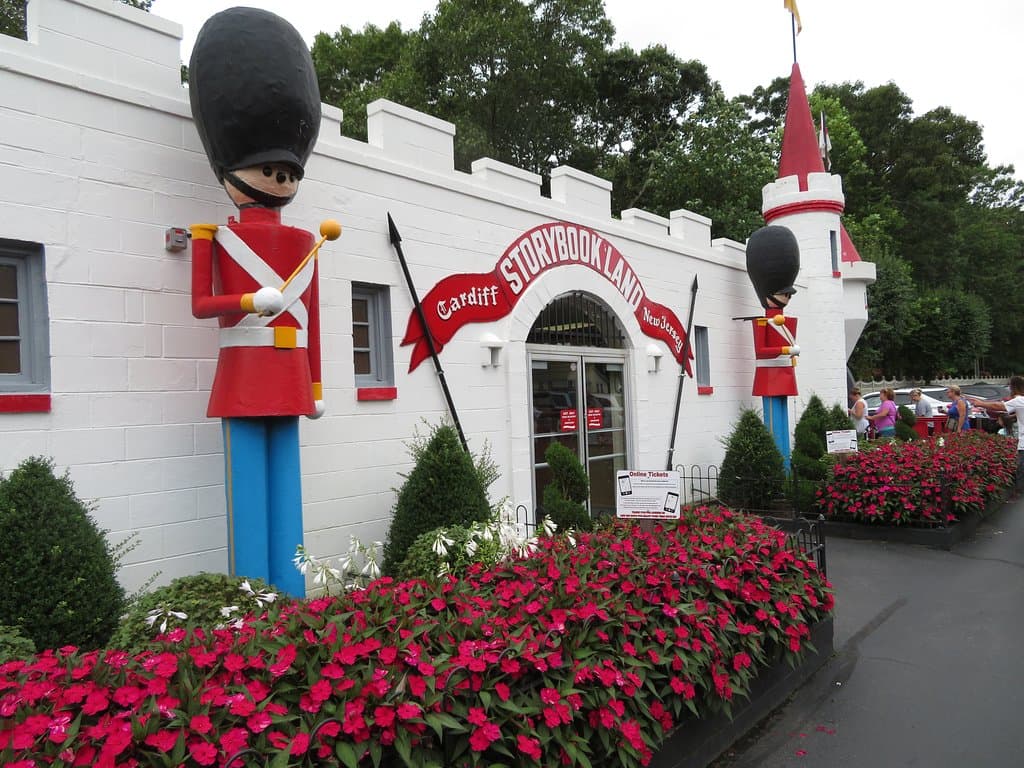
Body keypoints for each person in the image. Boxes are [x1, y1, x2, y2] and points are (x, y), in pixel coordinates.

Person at [188, 7, 340, 596]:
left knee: (288, 497)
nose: (279, 179)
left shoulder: (308, 240)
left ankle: (294, 605)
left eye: (286, 170)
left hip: (290, 373)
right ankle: (254, 613)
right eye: (268, 168)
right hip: (246, 369)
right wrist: (251, 298)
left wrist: (319, 386)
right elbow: (204, 305)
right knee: (248, 496)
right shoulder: (213, 235)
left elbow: (315, 321)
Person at [966, 375, 1024, 497]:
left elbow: (999, 406)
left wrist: (980, 403)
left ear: (1013, 387)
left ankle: (1019, 493)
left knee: (1021, 469)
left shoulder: (1019, 400)